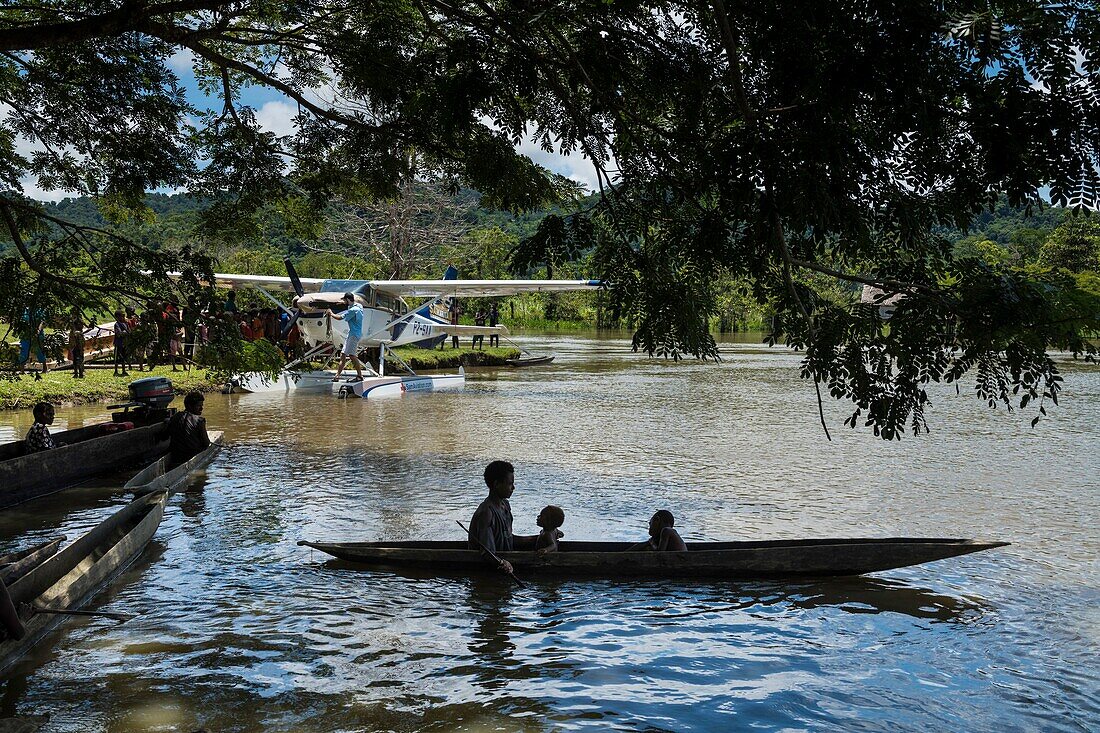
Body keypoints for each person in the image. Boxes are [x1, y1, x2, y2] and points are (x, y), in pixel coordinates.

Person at [467, 460, 538, 574]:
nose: (513, 488)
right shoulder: (486, 513)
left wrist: (537, 538)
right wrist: (503, 563)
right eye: (510, 484)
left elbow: (508, 538)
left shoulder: (505, 505)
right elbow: (487, 553)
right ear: (496, 484)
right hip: (488, 572)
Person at [327, 293, 365, 382]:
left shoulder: (353, 310)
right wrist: (341, 303)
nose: (344, 301)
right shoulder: (358, 306)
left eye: (345, 300)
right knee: (343, 354)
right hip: (351, 333)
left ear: (348, 300)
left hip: (354, 335)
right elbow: (350, 306)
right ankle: (337, 376)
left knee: (352, 355)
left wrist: (331, 313)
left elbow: (340, 317)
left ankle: (360, 376)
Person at [167, 391, 210, 467]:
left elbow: (165, 436)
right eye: (199, 406)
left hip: (176, 457)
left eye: (202, 405)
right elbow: (206, 444)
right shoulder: (200, 421)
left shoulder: (175, 417)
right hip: (191, 455)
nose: (201, 408)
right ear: (189, 406)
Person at [68, 310, 85, 379]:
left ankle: (77, 373)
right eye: (81, 325)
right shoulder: (78, 333)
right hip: (77, 348)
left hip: (76, 348)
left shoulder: (75, 332)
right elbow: (79, 342)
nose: (82, 326)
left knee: (76, 361)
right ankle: (79, 373)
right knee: (78, 361)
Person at [112, 309, 129, 377]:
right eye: (121, 316)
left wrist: (125, 333)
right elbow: (119, 333)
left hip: (124, 342)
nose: (123, 318)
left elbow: (129, 331)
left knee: (124, 357)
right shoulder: (117, 324)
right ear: (117, 317)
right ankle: (116, 371)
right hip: (118, 343)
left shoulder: (125, 324)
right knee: (117, 357)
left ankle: (123, 370)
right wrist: (125, 333)